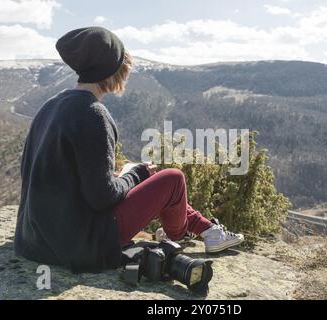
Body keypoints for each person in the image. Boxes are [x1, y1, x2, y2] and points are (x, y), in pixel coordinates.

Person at [14, 27, 244, 273]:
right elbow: (102, 198)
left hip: (34, 240)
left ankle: (206, 229)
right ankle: (178, 234)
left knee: (140, 175)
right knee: (172, 179)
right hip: (81, 245)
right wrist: (136, 175)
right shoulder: (93, 114)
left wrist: (125, 176)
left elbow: (43, 174)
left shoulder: (52, 105)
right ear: (114, 70)